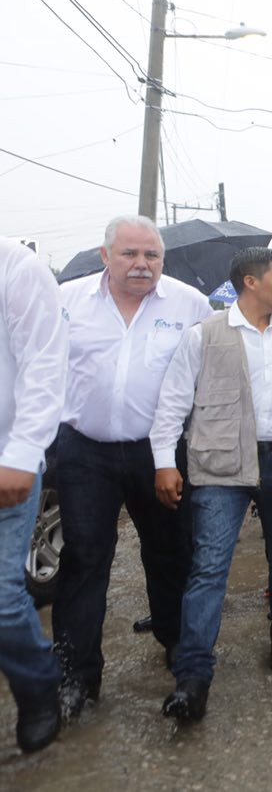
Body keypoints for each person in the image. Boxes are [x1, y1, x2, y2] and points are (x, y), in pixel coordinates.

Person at [150, 248, 272, 722]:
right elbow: (173, 402)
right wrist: (163, 462)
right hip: (221, 466)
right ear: (251, 283)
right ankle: (194, 676)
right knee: (209, 566)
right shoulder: (206, 336)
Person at [54, 215, 212, 719]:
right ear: (106, 256)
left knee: (170, 551)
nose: (142, 265)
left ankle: (175, 642)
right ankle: (76, 675)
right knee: (83, 559)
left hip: (159, 452)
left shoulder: (189, 304)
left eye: (152, 256)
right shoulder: (67, 301)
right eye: (130, 254)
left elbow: (207, 378)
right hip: (84, 449)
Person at [0, 235, 68, 753]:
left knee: (2, 599)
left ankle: (40, 688)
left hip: (8, 464)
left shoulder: (16, 268)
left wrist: (23, 454)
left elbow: (45, 366)